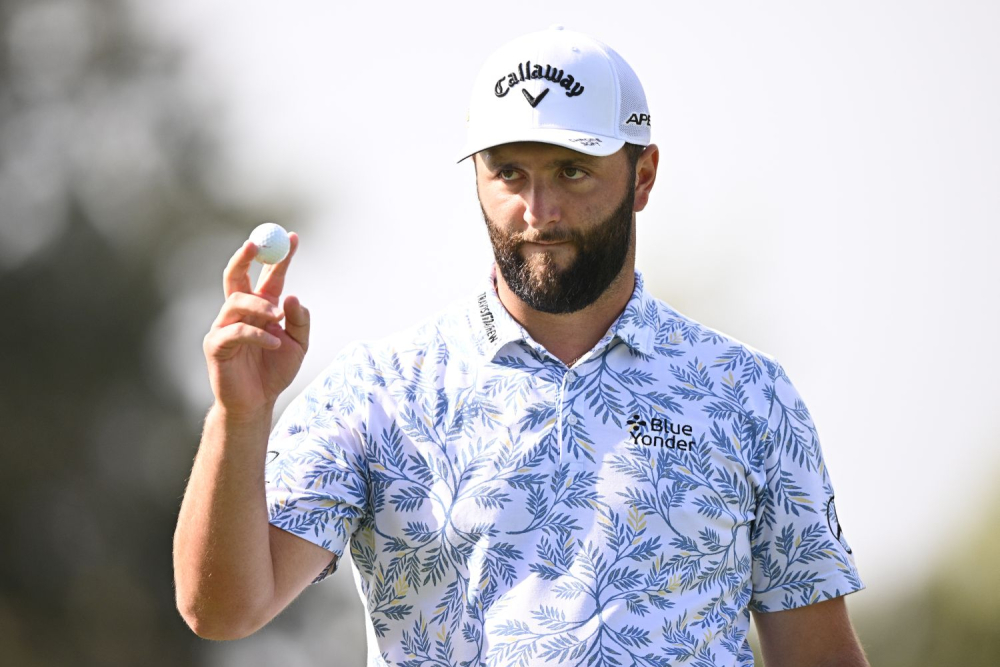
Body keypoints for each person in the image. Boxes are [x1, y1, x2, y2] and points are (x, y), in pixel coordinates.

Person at [174, 26, 868, 667]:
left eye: (572, 171)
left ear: (643, 176)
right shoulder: (379, 391)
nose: (539, 214)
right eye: (510, 173)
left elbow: (820, 655)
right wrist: (239, 418)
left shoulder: (746, 393)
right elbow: (222, 609)